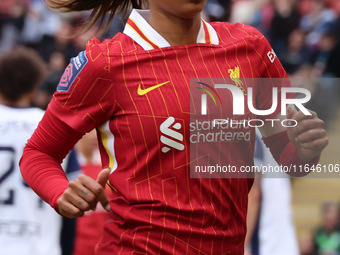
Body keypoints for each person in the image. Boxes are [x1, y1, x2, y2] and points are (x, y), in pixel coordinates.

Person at [20, 0, 328, 254]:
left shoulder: (250, 47)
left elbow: (293, 158)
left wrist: (306, 148)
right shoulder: (105, 63)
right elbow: (37, 153)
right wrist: (60, 191)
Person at [73, 130, 113, 255]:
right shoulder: (68, 172)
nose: (95, 136)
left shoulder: (109, 172)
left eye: (99, 130)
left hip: (104, 249)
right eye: (89, 131)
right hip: (74, 248)